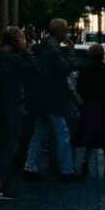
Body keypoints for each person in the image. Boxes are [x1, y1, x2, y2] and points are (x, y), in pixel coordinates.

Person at [23, 19, 77, 181]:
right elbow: (64, 69)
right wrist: (71, 53)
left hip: (41, 98)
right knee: (62, 135)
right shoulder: (53, 49)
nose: (66, 33)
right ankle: (66, 170)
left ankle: (30, 165)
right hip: (52, 99)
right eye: (65, 30)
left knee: (40, 132)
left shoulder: (44, 46)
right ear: (58, 31)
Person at [0, 28, 36, 200]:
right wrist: (24, 49)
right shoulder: (13, 60)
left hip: (0, 104)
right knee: (9, 146)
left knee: (3, 145)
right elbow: (33, 67)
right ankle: (0, 184)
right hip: (11, 105)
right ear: (15, 42)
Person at [71, 43, 105, 180]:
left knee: (90, 134)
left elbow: (79, 87)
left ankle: (85, 162)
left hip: (89, 105)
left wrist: (82, 101)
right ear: (102, 55)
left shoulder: (85, 70)